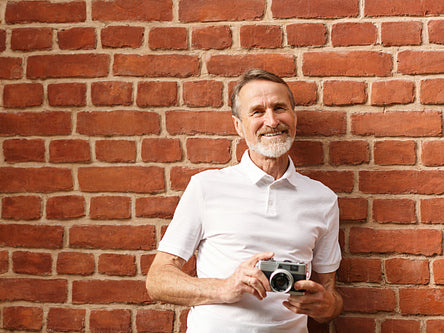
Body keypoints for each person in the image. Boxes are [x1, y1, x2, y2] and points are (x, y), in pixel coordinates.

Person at [146, 69, 343, 332]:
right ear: (238, 126)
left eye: (279, 108)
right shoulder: (206, 187)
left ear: (293, 117)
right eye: (257, 112)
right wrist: (225, 288)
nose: (272, 121)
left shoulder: (323, 199)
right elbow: (157, 280)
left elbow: (331, 296)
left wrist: (327, 306)